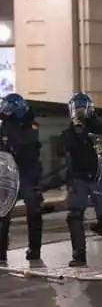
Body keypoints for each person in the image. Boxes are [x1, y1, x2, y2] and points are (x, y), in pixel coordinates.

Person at [60, 93, 102, 267]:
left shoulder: (99, 127)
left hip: (98, 176)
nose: (78, 113)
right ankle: (79, 255)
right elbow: (63, 149)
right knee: (74, 215)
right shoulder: (69, 131)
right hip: (78, 177)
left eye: (81, 109)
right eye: (76, 109)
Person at [0, 94, 43, 263]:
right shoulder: (4, 125)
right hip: (8, 173)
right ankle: (1, 252)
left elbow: (25, 144)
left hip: (28, 173)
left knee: (33, 211)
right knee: (3, 213)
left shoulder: (32, 125)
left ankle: (35, 249)